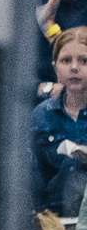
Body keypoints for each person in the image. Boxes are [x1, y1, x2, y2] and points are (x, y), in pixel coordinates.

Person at [36, 26, 87, 217]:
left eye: (84, 60)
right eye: (66, 60)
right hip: (55, 221)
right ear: (55, 67)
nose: (74, 67)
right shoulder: (41, 115)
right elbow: (31, 181)